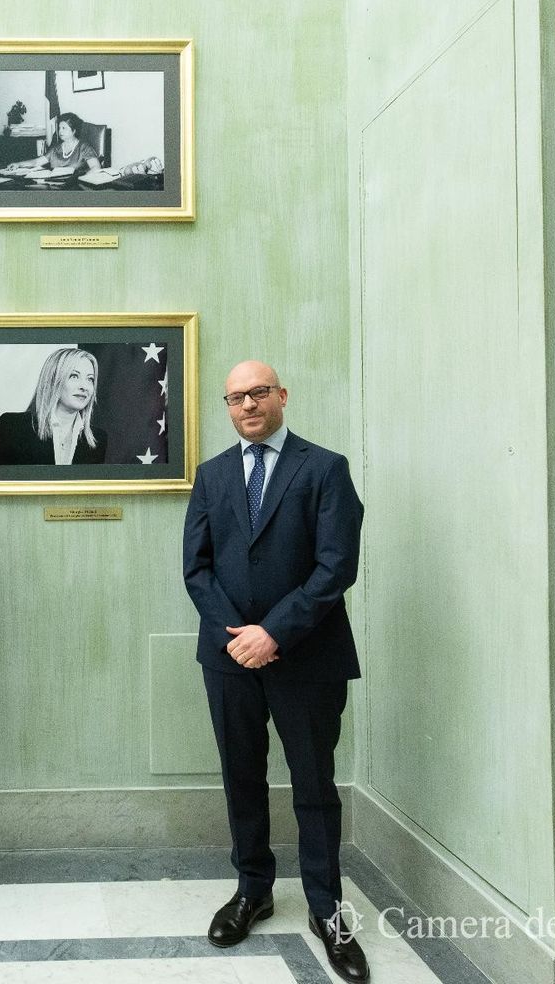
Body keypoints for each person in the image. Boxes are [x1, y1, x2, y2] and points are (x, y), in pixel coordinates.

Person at [181, 360, 369, 983]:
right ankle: (252, 891)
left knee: (313, 783)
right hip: (229, 657)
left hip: (308, 657)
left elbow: (336, 565)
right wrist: (241, 637)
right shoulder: (211, 475)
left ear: (282, 395)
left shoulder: (325, 468)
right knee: (242, 777)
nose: (247, 405)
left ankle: (326, 909)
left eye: (258, 393)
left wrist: (274, 633)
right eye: (235, 397)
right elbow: (196, 568)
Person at [0, 347, 107, 465]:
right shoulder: (13, 426)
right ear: (53, 380)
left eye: (90, 379)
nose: (84, 386)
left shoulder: (98, 439)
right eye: (74, 376)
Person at [6, 112, 101, 175]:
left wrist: (81, 179)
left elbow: (96, 167)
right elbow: (37, 162)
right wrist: (18, 164)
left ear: (74, 131)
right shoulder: (56, 148)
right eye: (59, 128)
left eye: (64, 128)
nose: (60, 131)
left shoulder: (84, 147)